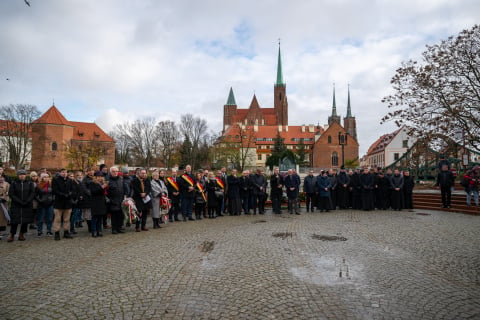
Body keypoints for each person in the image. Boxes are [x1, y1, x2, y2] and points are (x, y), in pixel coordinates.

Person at [7, 169, 35, 242]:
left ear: (26, 175)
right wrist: (19, 201)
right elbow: (11, 194)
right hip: (16, 205)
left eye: (23, 174)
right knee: (15, 221)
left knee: (25, 220)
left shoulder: (29, 183)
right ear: (18, 175)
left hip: (27, 204)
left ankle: (21, 234)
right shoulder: (14, 183)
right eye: (20, 174)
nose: (22, 175)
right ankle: (12, 235)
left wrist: (27, 201)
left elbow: (32, 193)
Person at [52, 168, 75, 240]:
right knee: (57, 219)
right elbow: (55, 190)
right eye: (62, 172)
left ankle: (66, 232)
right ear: (60, 173)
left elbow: (73, 189)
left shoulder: (70, 180)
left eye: (65, 172)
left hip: (68, 203)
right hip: (59, 202)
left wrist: (69, 194)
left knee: (67, 219)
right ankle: (56, 233)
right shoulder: (56, 180)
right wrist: (63, 195)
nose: (64, 173)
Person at [108, 166, 128, 234]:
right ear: (110, 172)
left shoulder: (121, 179)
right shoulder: (108, 180)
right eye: (113, 171)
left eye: (116, 171)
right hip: (113, 200)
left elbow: (124, 188)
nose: (115, 173)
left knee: (120, 215)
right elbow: (106, 192)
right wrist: (110, 200)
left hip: (121, 200)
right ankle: (114, 229)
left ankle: (119, 228)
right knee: (114, 216)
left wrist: (125, 196)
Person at [89, 173, 108, 237]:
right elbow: (93, 191)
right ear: (95, 177)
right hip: (95, 202)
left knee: (100, 217)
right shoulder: (92, 183)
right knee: (94, 217)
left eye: (101, 177)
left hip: (101, 202)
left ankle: (99, 231)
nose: (100, 178)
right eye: (98, 177)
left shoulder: (103, 183)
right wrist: (102, 188)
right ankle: (93, 231)